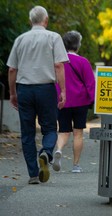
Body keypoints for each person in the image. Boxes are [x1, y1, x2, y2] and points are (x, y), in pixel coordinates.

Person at [7, 6, 68, 184]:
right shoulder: (53, 37)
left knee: (27, 133)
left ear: (30, 21)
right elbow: (58, 66)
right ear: (46, 20)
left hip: (24, 90)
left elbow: (12, 69)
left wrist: (12, 93)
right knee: (49, 128)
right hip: (46, 89)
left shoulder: (20, 39)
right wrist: (63, 90)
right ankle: (46, 152)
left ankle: (33, 174)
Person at [52, 30, 95, 173]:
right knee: (78, 133)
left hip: (62, 101)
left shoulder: (58, 62)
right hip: (80, 102)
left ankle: (58, 150)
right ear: (78, 45)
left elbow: (54, 81)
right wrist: (91, 100)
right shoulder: (83, 62)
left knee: (63, 131)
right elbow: (90, 84)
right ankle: (76, 165)